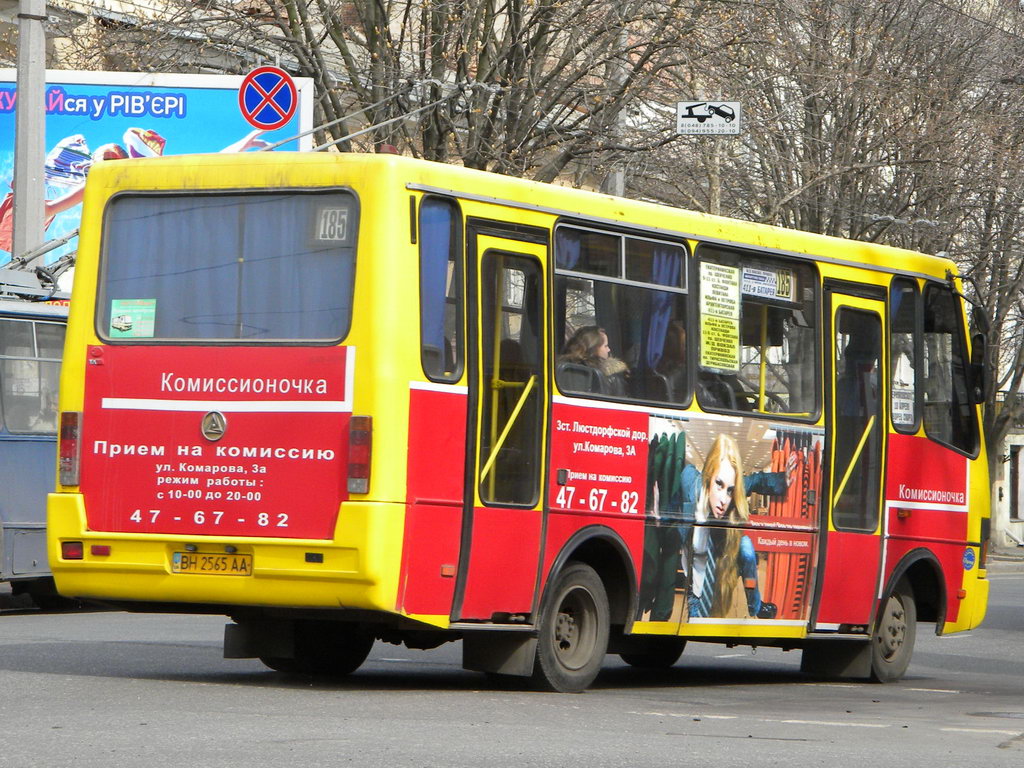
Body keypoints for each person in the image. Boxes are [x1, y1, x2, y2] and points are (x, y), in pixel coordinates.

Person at [684, 434, 791, 620]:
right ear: (708, 477)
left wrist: (783, 479)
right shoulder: (690, 483)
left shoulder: (733, 494)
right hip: (696, 578)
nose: (724, 500)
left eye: (730, 490)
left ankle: (755, 606)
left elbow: (757, 480)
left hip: (723, 556)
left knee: (747, 547)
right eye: (719, 484)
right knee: (696, 624)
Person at [557, 325, 629, 395]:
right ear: (594, 348)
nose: (609, 349)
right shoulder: (611, 378)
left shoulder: (558, 367)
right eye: (606, 346)